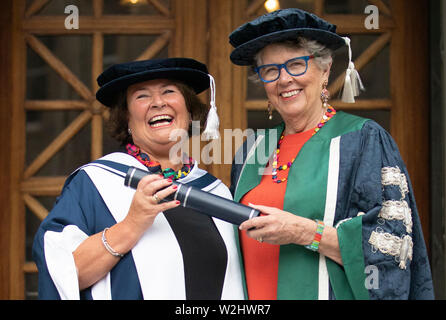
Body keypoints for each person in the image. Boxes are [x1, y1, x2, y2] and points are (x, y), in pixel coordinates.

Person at [228, 8, 434, 300]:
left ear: (324, 70)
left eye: (296, 64)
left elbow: (391, 249)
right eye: (271, 70)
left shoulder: (362, 140)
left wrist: (305, 232)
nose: (284, 79)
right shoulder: (252, 150)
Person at [32, 57, 244, 300]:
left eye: (169, 91)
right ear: (127, 120)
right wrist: (131, 225)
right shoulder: (95, 183)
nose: (158, 103)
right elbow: (63, 273)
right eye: (142, 96)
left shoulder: (216, 192)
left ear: (189, 111)